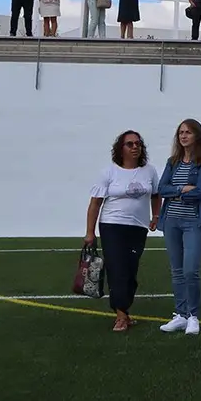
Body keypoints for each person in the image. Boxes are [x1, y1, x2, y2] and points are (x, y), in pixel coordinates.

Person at [86, 130, 161, 331]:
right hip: (112, 225)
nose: (135, 147)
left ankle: (124, 311)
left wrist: (156, 216)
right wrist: (90, 233)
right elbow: (95, 204)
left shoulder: (149, 171)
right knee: (117, 268)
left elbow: (156, 195)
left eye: (138, 144)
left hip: (138, 227)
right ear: (121, 149)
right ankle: (120, 315)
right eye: (130, 144)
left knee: (130, 269)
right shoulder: (109, 172)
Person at [156, 119, 201, 336]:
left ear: (197, 136)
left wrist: (176, 190)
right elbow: (161, 189)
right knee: (177, 271)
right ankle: (180, 315)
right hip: (171, 221)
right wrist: (182, 188)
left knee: (191, 270)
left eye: (188, 132)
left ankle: (193, 316)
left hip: (194, 222)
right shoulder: (172, 162)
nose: (183, 136)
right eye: (181, 132)